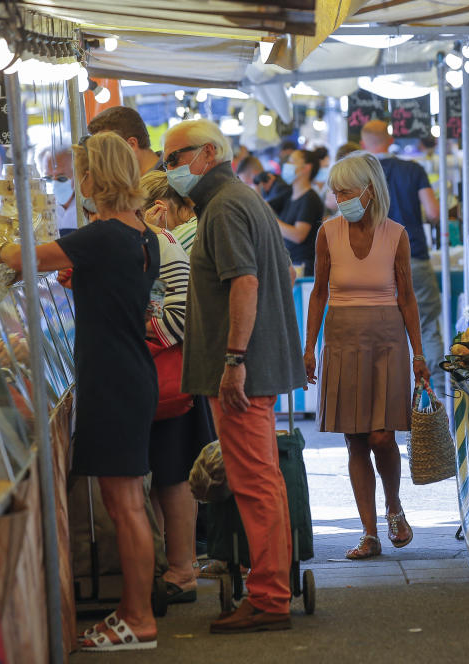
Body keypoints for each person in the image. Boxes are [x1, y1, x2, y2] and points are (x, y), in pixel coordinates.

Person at [0, 132, 161, 651]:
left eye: (81, 171)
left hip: (113, 377)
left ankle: (139, 617)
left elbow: (22, 256)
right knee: (124, 498)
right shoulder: (138, 232)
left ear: (95, 177)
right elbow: (113, 284)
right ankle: (132, 610)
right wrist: (80, 278)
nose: (77, 180)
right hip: (127, 371)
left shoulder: (101, 234)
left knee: (125, 502)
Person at [162, 118, 305, 633]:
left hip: (245, 372)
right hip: (255, 366)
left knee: (254, 481)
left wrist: (234, 361)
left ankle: (268, 598)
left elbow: (245, 282)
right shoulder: (240, 201)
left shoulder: (224, 208)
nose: (168, 168)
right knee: (262, 479)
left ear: (205, 154)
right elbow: (279, 275)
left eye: (173, 158)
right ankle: (271, 590)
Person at [304, 151, 430, 560]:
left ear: (369, 191)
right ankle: (369, 531)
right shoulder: (327, 232)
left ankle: (394, 506)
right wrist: (309, 347)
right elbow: (319, 292)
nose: (339, 197)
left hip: (387, 339)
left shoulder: (397, 234)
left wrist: (418, 354)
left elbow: (408, 297)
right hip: (341, 338)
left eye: (345, 190)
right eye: (335, 191)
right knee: (355, 440)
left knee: (382, 435)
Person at [138, 183, 216, 605]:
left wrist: (134, 328)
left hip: (167, 381)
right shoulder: (147, 240)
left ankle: (182, 569)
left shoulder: (162, 244)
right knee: (161, 477)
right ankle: (170, 565)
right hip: (153, 379)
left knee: (172, 476)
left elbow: (181, 317)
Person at [360, 119, 445, 396]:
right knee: (427, 326)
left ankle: (387, 397)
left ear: (364, 144)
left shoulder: (361, 175)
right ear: (390, 138)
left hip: (372, 264)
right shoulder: (413, 170)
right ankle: (436, 396)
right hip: (413, 258)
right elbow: (433, 212)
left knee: (381, 331)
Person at [276, 149, 324, 277]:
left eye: (292, 161)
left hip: (303, 269)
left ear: (306, 168)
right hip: (290, 265)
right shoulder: (288, 195)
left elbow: (298, 235)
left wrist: (272, 221)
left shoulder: (310, 198)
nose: (287, 165)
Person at [88, 105, 165, 175]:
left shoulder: (169, 183)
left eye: (107, 148)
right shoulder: (131, 183)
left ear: (131, 144)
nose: (104, 158)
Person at [141, 170, 198, 255]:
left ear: (158, 209)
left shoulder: (175, 240)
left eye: (141, 218)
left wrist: (148, 232)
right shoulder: (200, 221)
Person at [36, 143, 78, 236]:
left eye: (61, 178)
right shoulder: (36, 211)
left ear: (77, 175)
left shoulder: (89, 208)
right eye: (48, 178)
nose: (54, 184)